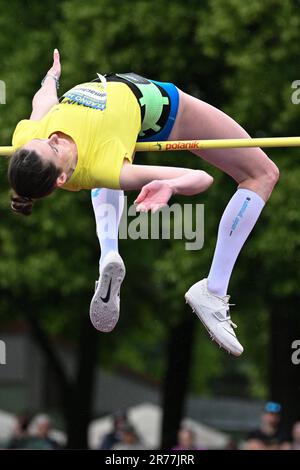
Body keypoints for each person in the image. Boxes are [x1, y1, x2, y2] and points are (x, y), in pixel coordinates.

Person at [9, 49, 279, 356]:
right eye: (52, 149)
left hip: (117, 102)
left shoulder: (26, 146)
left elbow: (42, 103)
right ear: (61, 180)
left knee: (104, 173)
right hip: (164, 110)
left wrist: (52, 77)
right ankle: (214, 290)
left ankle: (109, 254)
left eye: (44, 140)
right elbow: (201, 178)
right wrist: (170, 185)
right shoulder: (105, 165)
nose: (52, 138)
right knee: (263, 174)